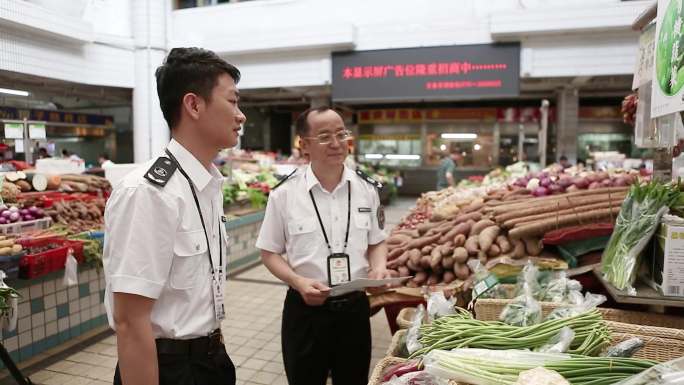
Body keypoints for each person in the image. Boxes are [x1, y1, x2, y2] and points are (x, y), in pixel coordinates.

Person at [103, 47, 246, 385]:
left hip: (210, 359)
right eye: (233, 101)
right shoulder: (150, 192)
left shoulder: (206, 185)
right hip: (167, 369)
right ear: (193, 105)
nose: (241, 116)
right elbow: (130, 321)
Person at [256, 106, 390, 385]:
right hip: (305, 311)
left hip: (354, 310)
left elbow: (377, 241)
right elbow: (269, 253)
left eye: (342, 134)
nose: (337, 143)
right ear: (304, 145)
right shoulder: (284, 195)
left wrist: (379, 268)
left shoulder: (367, 190)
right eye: (325, 136)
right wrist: (297, 280)